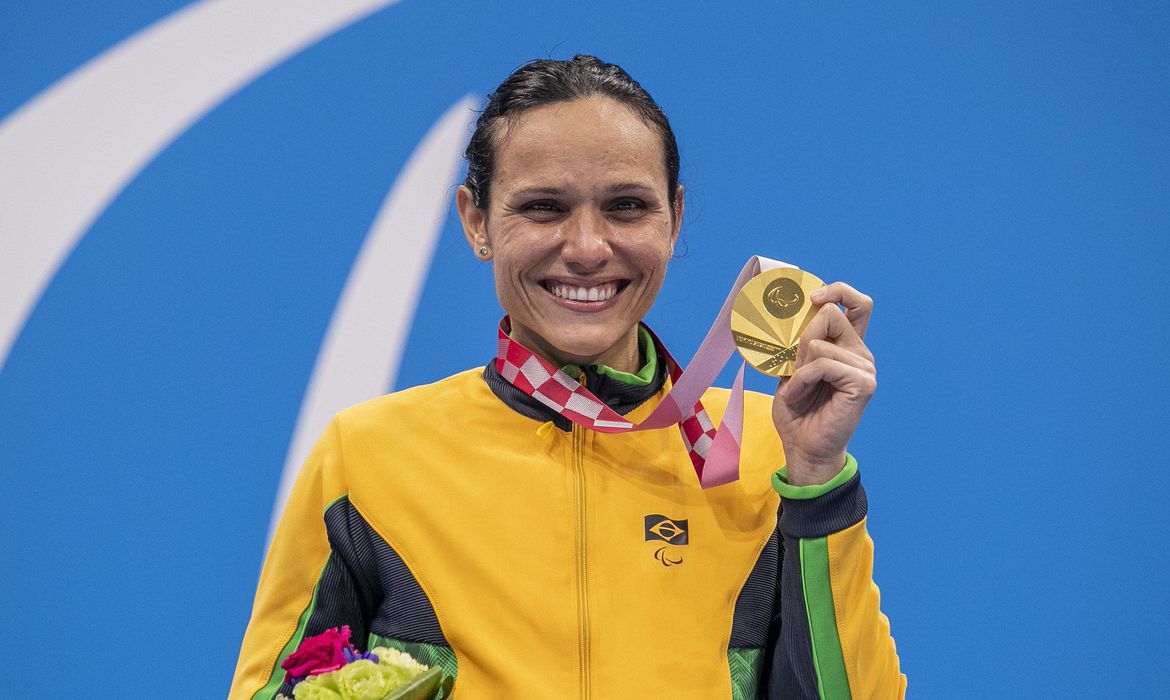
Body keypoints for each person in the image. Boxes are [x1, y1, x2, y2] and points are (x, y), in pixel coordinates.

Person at [230, 55, 905, 699]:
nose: (586, 247)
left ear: (674, 218)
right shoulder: (370, 457)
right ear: (476, 220)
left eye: (627, 206)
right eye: (544, 207)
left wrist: (817, 478)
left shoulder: (766, 451)